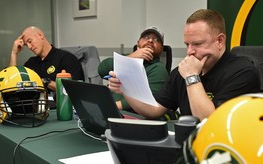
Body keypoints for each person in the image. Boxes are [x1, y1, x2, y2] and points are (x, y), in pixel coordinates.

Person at [107, 9, 260, 121]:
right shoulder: (181, 72)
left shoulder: (242, 72)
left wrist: (192, 77)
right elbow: (154, 110)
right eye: (187, 44)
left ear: (219, 41)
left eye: (197, 44)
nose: (190, 51)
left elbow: (210, 123)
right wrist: (125, 88)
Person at [98, 26, 169, 112]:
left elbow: (147, 102)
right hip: (109, 106)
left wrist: (108, 107)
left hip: (129, 113)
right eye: (146, 37)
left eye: (156, 39)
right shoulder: (128, 57)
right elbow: (102, 69)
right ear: (138, 42)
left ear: (161, 49)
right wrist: (130, 57)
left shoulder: (158, 69)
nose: (150, 40)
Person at [9, 26, 84, 92]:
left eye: (30, 41)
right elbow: (11, 83)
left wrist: (45, 82)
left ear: (40, 35)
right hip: (35, 105)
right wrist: (14, 53)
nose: (29, 47)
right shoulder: (31, 63)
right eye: (26, 45)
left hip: (59, 105)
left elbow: (74, 91)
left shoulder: (66, 58)